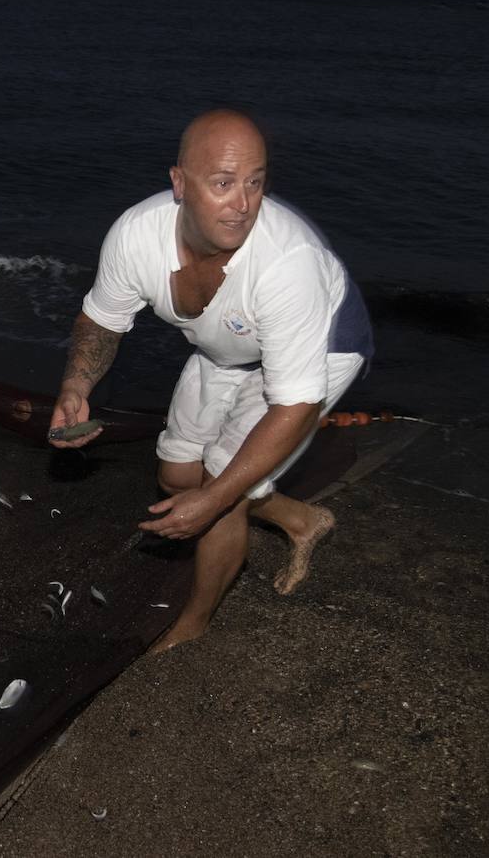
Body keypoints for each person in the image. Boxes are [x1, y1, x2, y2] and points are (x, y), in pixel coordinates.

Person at [50, 109, 372, 653]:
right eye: (223, 183)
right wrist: (75, 389)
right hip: (226, 346)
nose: (243, 203)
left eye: (255, 182)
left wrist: (220, 495)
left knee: (220, 487)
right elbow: (102, 321)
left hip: (318, 353)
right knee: (178, 475)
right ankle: (301, 520)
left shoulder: (288, 264)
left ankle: (194, 622)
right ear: (178, 183)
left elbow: (294, 403)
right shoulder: (136, 236)